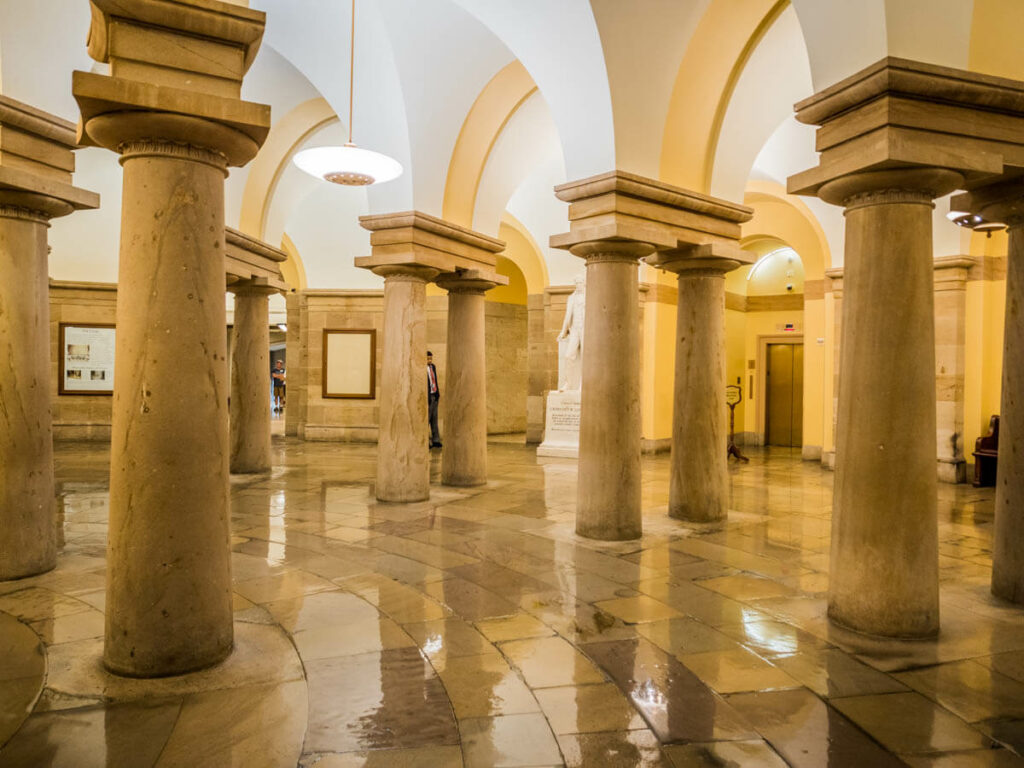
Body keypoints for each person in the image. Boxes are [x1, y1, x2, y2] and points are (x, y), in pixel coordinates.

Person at [427, 351, 441, 448]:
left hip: (434, 395)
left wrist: (437, 393)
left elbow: (434, 380)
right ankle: (426, 441)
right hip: (428, 397)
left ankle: (436, 439)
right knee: (426, 419)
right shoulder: (423, 369)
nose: (430, 360)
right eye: (428, 359)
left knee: (434, 419)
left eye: (431, 358)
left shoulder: (433, 367)